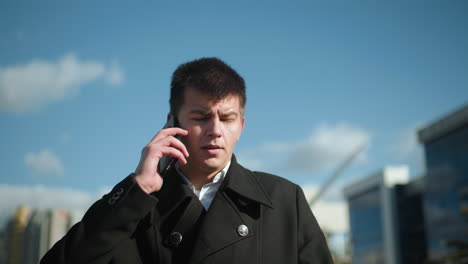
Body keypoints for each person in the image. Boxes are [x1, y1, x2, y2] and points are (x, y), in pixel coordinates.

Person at [41, 58, 333, 264]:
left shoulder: (283, 199)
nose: (215, 130)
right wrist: (138, 187)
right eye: (201, 117)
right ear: (172, 122)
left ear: (241, 127)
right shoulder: (138, 205)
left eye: (227, 118)